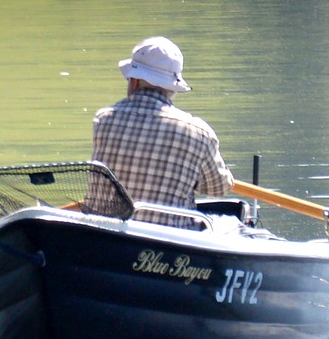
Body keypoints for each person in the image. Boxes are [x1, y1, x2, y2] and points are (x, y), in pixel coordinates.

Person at [88, 36, 234, 228]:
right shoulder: (199, 133)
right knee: (231, 224)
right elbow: (218, 188)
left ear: (133, 81)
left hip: (105, 234)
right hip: (168, 239)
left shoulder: (103, 119)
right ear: (172, 88)